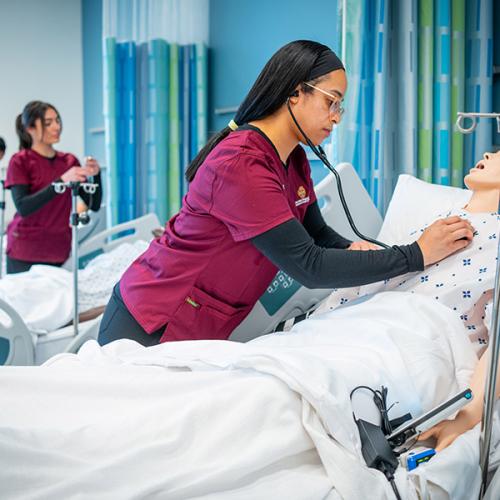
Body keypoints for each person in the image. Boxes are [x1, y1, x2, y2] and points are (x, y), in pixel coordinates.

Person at [98, 40, 473, 347]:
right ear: (295, 93)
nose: (337, 116)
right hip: (150, 322)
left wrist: (352, 250)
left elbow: (318, 234)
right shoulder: (240, 164)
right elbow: (308, 265)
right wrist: (416, 255)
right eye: (332, 101)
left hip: (202, 321)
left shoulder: (293, 159)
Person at [416, 150, 500, 451]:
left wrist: (467, 416)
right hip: (354, 323)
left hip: (421, 338)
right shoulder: (433, 225)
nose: (487, 152)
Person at [5, 101, 102, 274]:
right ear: (30, 128)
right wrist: (61, 181)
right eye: (48, 123)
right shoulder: (20, 161)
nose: (56, 127)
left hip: (59, 251)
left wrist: (96, 176)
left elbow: (92, 204)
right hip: (24, 253)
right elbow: (24, 207)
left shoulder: (69, 162)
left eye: (57, 121)